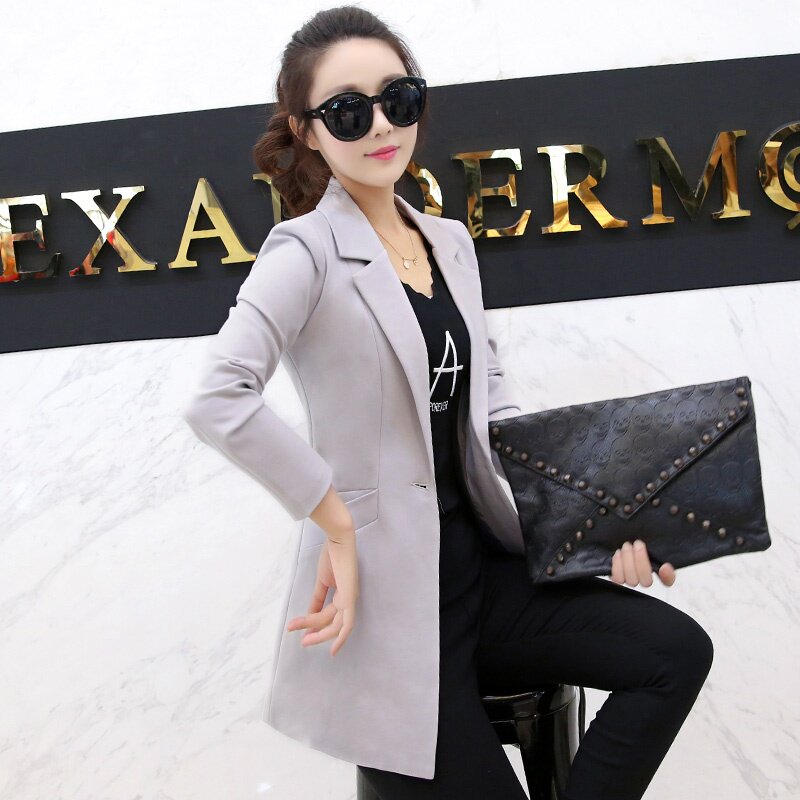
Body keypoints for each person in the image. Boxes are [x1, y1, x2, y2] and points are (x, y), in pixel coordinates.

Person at [181, 6, 714, 798]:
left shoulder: (448, 243)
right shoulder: (304, 252)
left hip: (482, 575)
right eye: (348, 111)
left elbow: (491, 408)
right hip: (383, 609)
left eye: (399, 98)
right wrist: (333, 518)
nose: (380, 125)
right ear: (306, 130)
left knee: (675, 654)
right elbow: (218, 398)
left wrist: (595, 528)